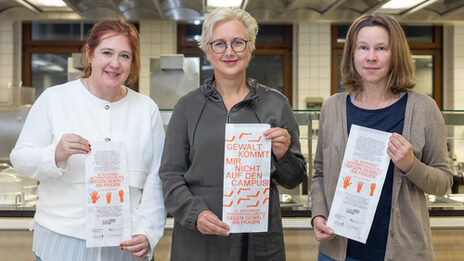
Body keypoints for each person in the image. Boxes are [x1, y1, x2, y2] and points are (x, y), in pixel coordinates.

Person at [10, 18, 166, 261]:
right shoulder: (55, 99)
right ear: (89, 53)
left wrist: (148, 232)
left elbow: (157, 177)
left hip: (126, 242)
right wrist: (56, 153)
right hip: (63, 240)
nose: (115, 63)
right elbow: (20, 159)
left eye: (125, 56)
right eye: (107, 52)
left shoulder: (146, 109)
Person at [159, 7, 306, 261]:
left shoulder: (275, 104)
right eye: (219, 44)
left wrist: (283, 156)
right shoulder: (187, 106)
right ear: (207, 50)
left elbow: (294, 179)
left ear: (250, 48)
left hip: (258, 243)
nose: (229, 51)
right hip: (199, 242)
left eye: (238, 42)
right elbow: (170, 176)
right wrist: (196, 214)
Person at [311, 13, 453, 261]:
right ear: (352, 54)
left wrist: (411, 165)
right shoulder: (332, 107)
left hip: (404, 252)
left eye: (381, 48)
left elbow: (443, 182)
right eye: (363, 47)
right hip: (339, 252)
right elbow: (320, 173)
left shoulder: (423, 108)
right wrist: (318, 215)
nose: (371, 57)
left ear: (394, 54)